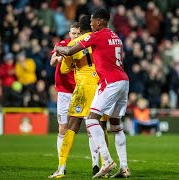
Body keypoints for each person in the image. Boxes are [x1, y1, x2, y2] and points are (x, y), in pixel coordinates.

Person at [56, 9, 130, 178]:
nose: (90, 24)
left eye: (92, 21)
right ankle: (124, 167)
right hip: (123, 80)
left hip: (106, 83)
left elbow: (68, 53)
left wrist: (58, 47)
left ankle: (107, 160)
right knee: (116, 126)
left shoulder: (96, 36)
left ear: (99, 22)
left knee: (90, 121)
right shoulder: (116, 37)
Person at [48, 15, 110, 179]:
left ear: (80, 31)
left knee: (71, 127)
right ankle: (104, 165)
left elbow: (63, 70)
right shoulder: (99, 40)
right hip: (99, 89)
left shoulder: (73, 44)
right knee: (100, 127)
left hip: (82, 89)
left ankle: (61, 168)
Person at [49, 22, 79, 175]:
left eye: (77, 33)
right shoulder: (62, 44)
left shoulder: (84, 46)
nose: (74, 36)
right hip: (64, 92)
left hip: (80, 91)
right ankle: (62, 164)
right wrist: (58, 59)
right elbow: (52, 62)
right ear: (69, 33)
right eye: (72, 33)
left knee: (91, 127)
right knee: (62, 128)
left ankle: (97, 164)